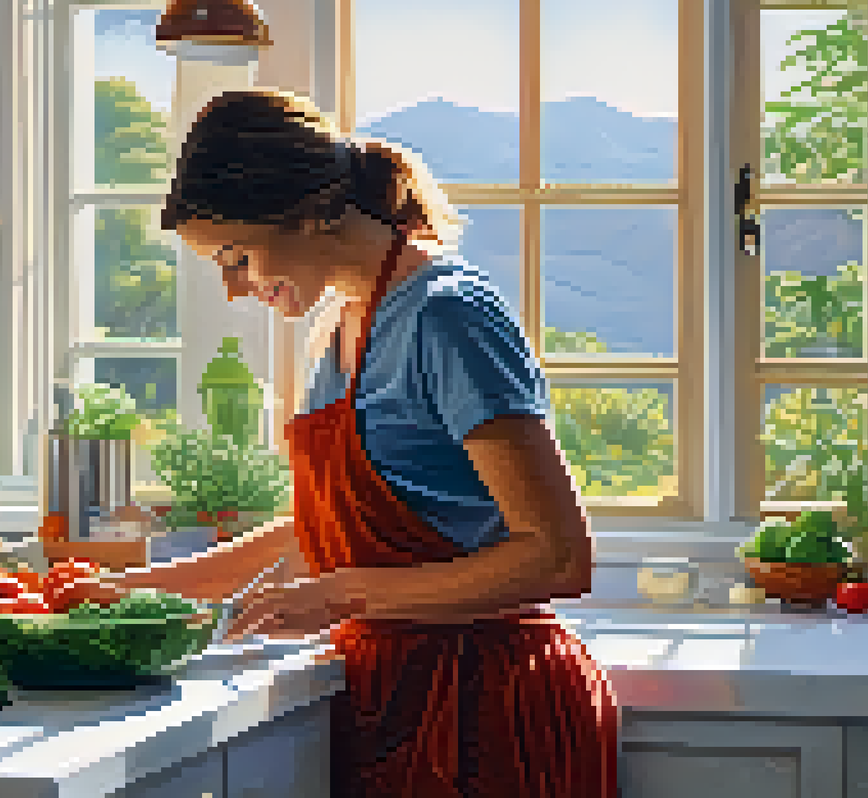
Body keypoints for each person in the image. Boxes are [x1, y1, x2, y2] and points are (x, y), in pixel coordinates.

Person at [75, 90, 619, 798]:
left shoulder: (448, 315)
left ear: (310, 211)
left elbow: (557, 555)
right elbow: (324, 533)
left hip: (491, 708)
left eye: (237, 256)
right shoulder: (338, 325)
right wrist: (129, 592)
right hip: (389, 697)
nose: (235, 289)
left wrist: (344, 594)